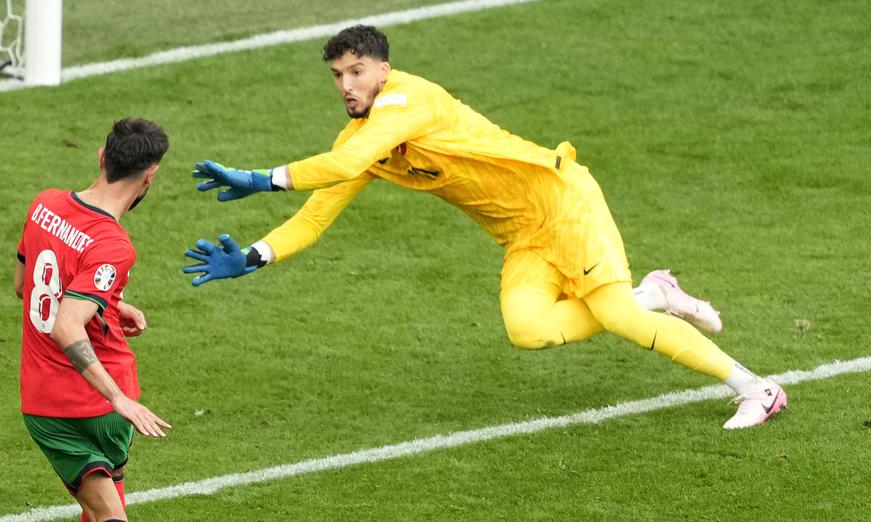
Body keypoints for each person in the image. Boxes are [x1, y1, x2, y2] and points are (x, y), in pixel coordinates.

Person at [185, 25, 785, 430]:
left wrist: (261, 178)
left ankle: (755, 388)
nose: (346, 86)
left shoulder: (407, 102)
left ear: (383, 70)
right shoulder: (366, 139)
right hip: (524, 236)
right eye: (338, 75)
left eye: (357, 72)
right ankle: (654, 294)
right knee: (528, 329)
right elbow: (318, 213)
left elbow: (336, 166)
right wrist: (257, 255)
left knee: (620, 320)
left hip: (563, 201)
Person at [16, 118, 224, 522]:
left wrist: (110, 301)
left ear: (102, 154)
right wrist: (116, 396)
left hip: (47, 402)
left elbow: (29, 287)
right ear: (150, 176)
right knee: (110, 504)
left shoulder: (45, 205)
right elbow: (66, 321)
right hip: (105, 400)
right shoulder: (113, 242)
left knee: (103, 501)